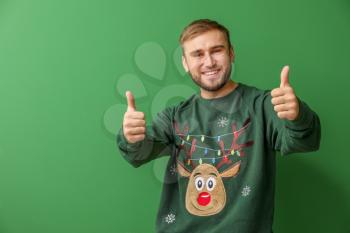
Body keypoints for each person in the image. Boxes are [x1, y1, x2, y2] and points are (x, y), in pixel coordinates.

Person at [117, 19, 321, 233]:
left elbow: (306, 141)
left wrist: (297, 115)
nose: (209, 62)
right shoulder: (174, 116)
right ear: (185, 63)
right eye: (197, 54)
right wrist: (130, 137)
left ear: (231, 53)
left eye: (217, 50)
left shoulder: (262, 106)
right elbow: (137, 155)